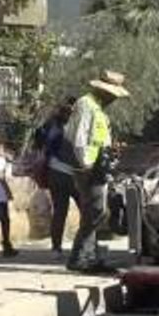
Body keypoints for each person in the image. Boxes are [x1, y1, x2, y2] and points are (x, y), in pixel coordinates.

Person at [63, 70, 129, 273]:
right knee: (95, 212)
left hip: (97, 164)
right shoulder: (86, 104)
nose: (114, 99)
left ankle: (89, 256)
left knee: (96, 212)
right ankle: (81, 258)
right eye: (113, 95)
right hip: (88, 166)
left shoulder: (98, 108)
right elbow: (79, 136)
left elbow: (96, 137)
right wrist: (85, 164)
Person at [36, 97, 77, 256]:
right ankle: (87, 246)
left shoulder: (50, 125)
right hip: (73, 175)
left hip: (55, 172)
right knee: (87, 211)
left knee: (59, 212)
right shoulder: (73, 127)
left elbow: (42, 145)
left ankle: (56, 248)